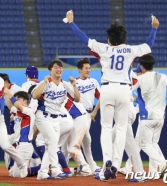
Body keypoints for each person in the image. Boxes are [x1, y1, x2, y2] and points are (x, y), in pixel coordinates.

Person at [66, 10, 159, 181]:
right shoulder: (130, 50)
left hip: (107, 89)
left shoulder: (104, 48)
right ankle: (115, 164)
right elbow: (149, 45)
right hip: (124, 90)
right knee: (122, 128)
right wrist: (154, 28)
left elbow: (84, 38)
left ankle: (107, 159)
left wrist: (71, 23)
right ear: (124, 39)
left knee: (106, 128)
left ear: (110, 38)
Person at [32, 59, 79, 180]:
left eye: (60, 67)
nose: (59, 69)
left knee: (51, 146)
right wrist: (44, 82)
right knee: (52, 140)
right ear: (50, 70)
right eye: (56, 67)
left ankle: (42, 173)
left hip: (56, 119)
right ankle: (55, 169)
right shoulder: (46, 83)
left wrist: (74, 85)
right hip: (43, 116)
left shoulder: (65, 84)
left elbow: (77, 99)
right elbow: (35, 96)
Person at [132, 54, 167, 178]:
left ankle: (163, 164)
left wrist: (135, 73)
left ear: (141, 66)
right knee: (153, 145)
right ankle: (154, 173)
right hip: (160, 117)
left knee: (145, 145)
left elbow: (129, 88)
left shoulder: (140, 78)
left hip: (148, 117)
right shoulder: (163, 77)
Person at [75, 58, 101, 174]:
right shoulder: (74, 83)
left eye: (89, 68)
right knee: (85, 139)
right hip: (79, 114)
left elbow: (101, 97)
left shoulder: (93, 82)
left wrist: (95, 112)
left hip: (89, 114)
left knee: (85, 140)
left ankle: (87, 165)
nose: (88, 70)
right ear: (80, 69)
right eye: (86, 68)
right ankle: (90, 165)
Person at [4, 89, 36, 178]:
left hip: (25, 146)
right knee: (13, 173)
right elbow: (10, 104)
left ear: (25, 101)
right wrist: (5, 93)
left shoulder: (29, 111)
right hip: (18, 146)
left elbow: (18, 106)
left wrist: (8, 92)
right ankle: (38, 168)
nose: (16, 101)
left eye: (18, 99)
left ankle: (42, 168)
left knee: (17, 174)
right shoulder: (17, 112)